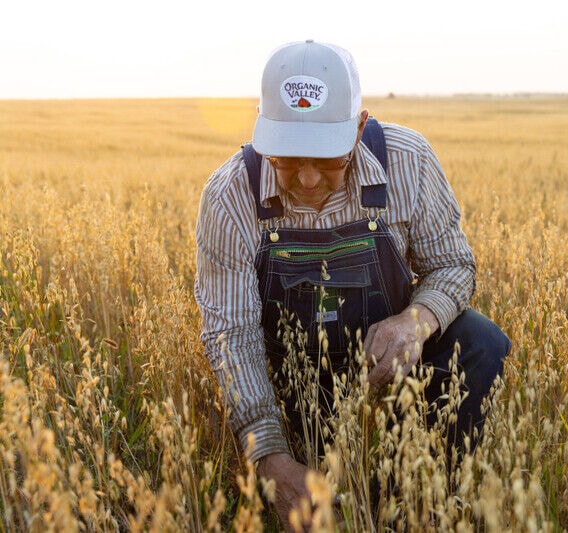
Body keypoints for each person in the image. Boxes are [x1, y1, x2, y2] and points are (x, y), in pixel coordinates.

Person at [194, 40, 510, 527]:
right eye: (285, 158)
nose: (306, 179)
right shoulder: (228, 195)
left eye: (326, 161)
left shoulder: (409, 161)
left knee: (481, 342)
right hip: (292, 389)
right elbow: (230, 334)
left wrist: (415, 322)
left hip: (391, 381)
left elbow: (454, 266)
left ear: (360, 128)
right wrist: (271, 458)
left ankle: (418, 506)